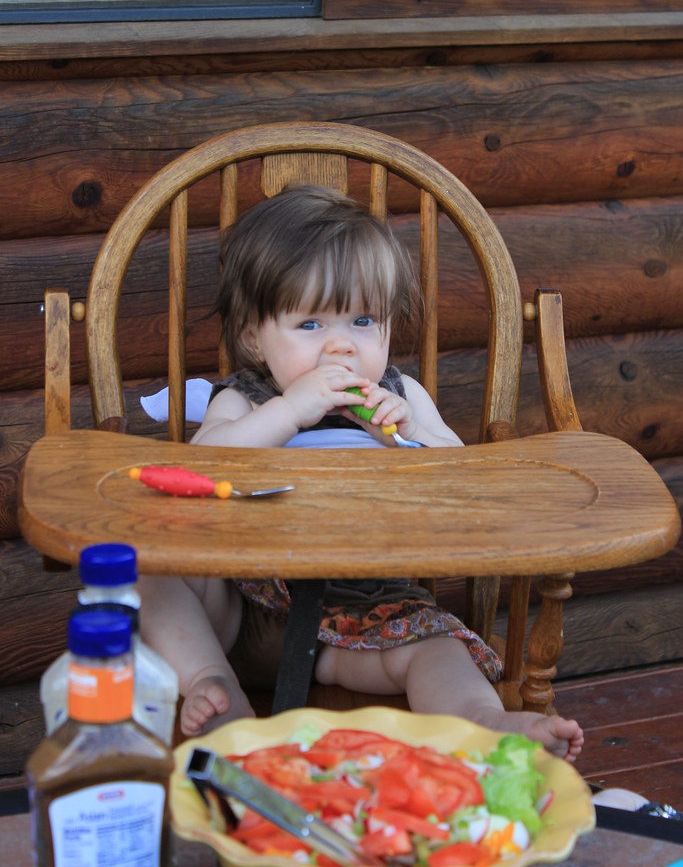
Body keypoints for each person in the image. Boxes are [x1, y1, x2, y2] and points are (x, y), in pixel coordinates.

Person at [137, 185, 583, 761]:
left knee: (439, 648)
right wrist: (290, 411)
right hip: (250, 609)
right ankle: (210, 681)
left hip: (372, 610)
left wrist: (406, 439)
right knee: (146, 571)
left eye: (362, 320)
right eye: (311, 326)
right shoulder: (246, 399)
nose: (340, 347)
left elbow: (464, 479)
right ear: (254, 338)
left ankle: (484, 722)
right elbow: (201, 469)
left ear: (389, 331)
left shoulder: (402, 396)